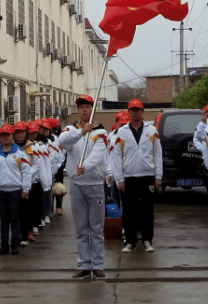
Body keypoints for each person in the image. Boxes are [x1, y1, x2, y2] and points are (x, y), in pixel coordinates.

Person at [56, 95, 110, 279]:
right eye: (82, 107)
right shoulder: (71, 129)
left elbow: (99, 154)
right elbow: (62, 141)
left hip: (94, 184)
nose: (84, 110)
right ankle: (83, 264)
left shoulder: (100, 131)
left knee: (96, 227)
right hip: (77, 185)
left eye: (88, 107)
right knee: (80, 228)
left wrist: (85, 166)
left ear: (92, 109)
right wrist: (81, 133)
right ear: (78, 110)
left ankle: (97, 264)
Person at [112, 100, 162, 253]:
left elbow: (157, 153)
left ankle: (147, 240)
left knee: (147, 210)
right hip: (129, 176)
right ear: (129, 112)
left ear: (143, 112)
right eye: (132, 110)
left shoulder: (152, 130)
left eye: (138, 110)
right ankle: (130, 241)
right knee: (129, 210)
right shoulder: (122, 132)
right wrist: (119, 178)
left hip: (147, 175)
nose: (135, 113)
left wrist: (158, 176)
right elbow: (116, 156)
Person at [0, 124, 32, 255]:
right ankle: (4, 245)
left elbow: (27, 172)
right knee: (4, 218)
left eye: (8, 135)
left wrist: (26, 188)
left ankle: (15, 244)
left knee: (14, 217)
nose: (5, 138)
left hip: (16, 190)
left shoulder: (19, 152)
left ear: (12, 137)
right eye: (3, 136)